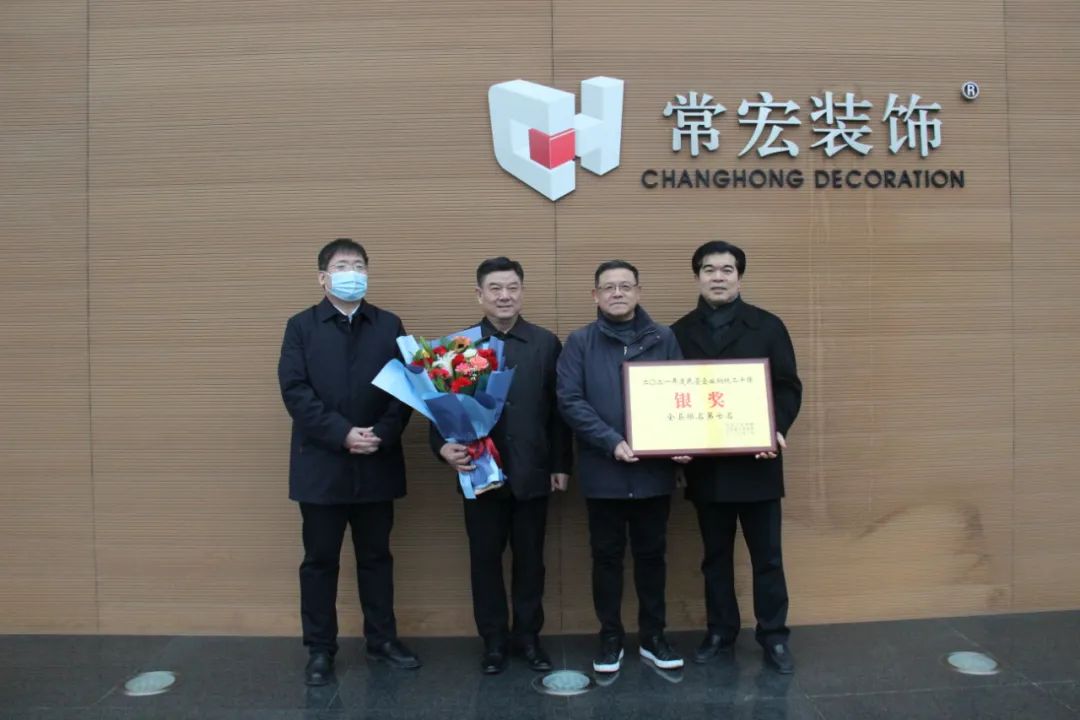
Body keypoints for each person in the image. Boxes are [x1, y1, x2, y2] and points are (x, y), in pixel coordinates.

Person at [278, 238, 421, 686]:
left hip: (377, 460)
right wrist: (341, 433)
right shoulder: (301, 326)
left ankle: (382, 640)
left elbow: (409, 386)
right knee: (319, 561)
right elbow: (295, 391)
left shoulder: (388, 324)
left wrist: (383, 432)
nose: (352, 273)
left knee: (376, 557)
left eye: (359, 265)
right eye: (342, 266)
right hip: (321, 467)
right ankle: (320, 650)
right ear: (323, 277)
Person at [431, 257, 573, 674]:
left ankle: (528, 638)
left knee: (531, 561)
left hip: (533, 470)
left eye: (512, 287)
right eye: (495, 288)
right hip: (479, 473)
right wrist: (442, 448)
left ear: (522, 292)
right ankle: (493, 642)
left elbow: (558, 411)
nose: (504, 296)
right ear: (480, 294)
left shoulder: (546, 343)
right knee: (484, 560)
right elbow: (438, 409)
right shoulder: (458, 347)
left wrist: (561, 463)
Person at [670, 240, 803, 674]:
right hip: (707, 469)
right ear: (697, 277)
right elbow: (668, 394)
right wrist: (673, 441)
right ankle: (720, 633)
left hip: (758, 463)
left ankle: (774, 636)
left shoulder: (767, 326)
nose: (718, 277)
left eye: (727, 270)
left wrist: (776, 429)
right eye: (709, 269)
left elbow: (787, 387)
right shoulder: (678, 332)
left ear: (739, 276)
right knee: (715, 559)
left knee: (768, 558)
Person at [556, 259, 689, 674]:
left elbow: (682, 393)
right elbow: (569, 400)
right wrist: (610, 441)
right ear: (595, 295)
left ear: (638, 292)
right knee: (606, 558)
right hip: (604, 472)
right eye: (608, 287)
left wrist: (682, 441)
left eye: (625, 286)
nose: (617, 293)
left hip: (653, 474)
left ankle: (653, 637)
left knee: (652, 557)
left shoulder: (664, 338)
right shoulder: (580, 342)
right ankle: (610, 637)